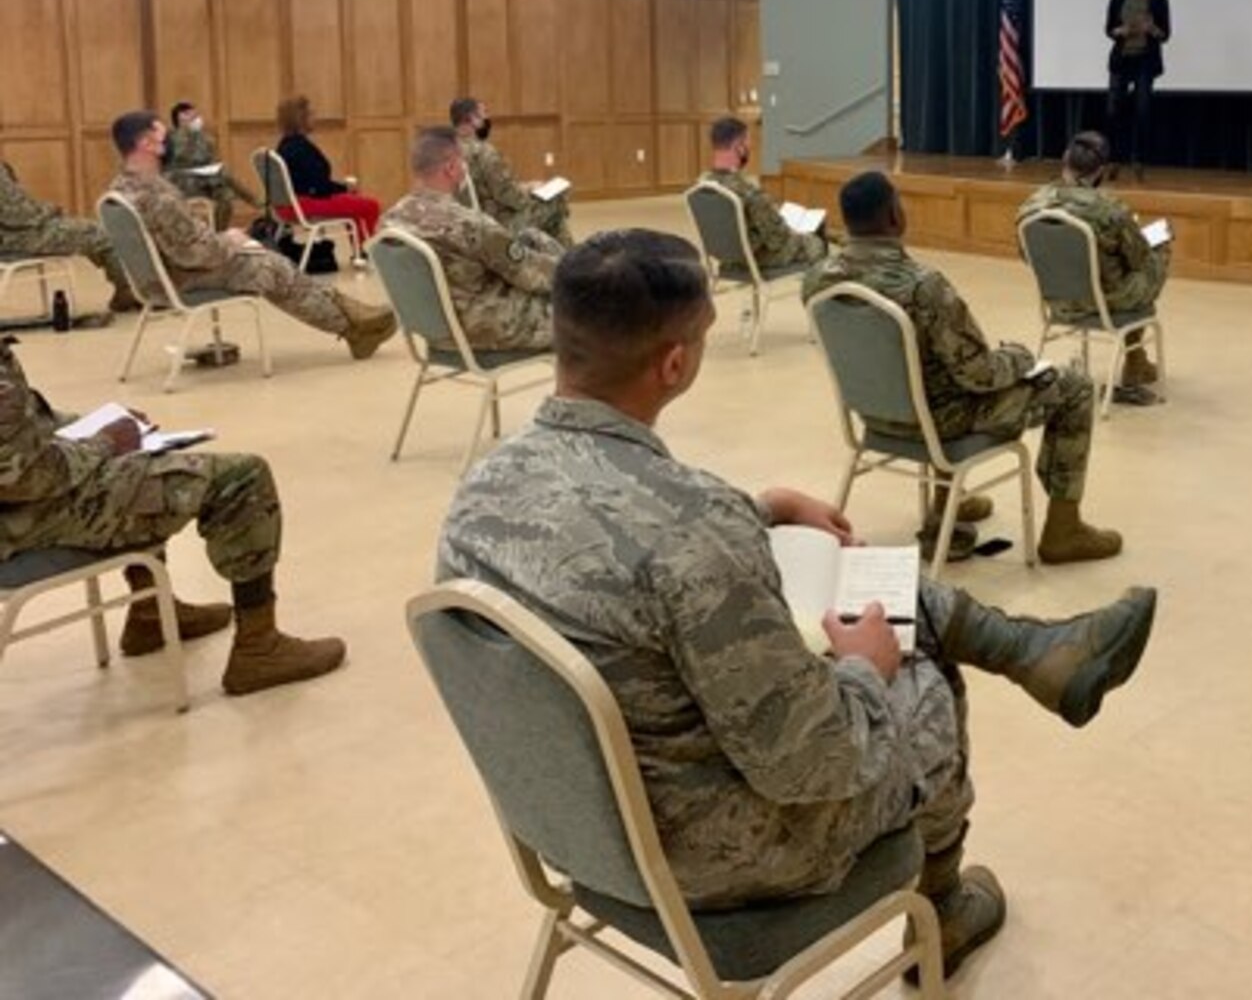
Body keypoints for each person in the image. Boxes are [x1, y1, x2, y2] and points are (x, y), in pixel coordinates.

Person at [437, 229, 1157, 977]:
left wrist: (761, 508)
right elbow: (815, 765)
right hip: (712, 861)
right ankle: (941, 912)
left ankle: (1035, 651)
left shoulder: (482, 494)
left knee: (861, 585)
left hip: (569, 824)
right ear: (675, 364)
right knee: (925, 680)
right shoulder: (695, 532)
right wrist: (863, 673)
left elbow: (604, 549)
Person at [805, 171, 1122, 565]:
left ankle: (948, 512)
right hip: (941, 427)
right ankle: (1063, 530)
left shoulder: (817, 281)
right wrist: (1021, 358)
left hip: (875, 418)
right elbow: (980, 374)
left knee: (933, 374)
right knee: (1073, 386)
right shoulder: (924, 286)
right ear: (893, 217)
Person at [0, 336, 346, 694]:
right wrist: (104, 442)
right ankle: (259, 647)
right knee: (242, 477)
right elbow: (26, 477)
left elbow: (25, 435)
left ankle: (151, 612)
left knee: (141, 465)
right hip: (26, 522)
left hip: (24, 510)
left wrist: (99, 425)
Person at [107, 111, 397, 360]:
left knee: (266, 259)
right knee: (271, 267)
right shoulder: (157, 197)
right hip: (183, 276)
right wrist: (229, 241)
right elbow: (194, 253)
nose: (169, 141)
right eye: (162, 136)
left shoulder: (122, 187)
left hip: (160, 277)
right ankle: (353, 328)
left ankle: (354, 316)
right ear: (146, 144)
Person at [1018, 130, 1168, 401]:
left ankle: (1137, 359)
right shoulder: (1110, 209)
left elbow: (1026, 255)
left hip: (1058, 303)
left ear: (1065, 160)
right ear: (1101, 170)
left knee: (1124, 269)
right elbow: (1138, 259)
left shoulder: (1030, 206)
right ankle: (1135, 361)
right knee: (1158, 249)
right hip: (1106, 304)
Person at [383, 128, 559, 353]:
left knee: (531, 238)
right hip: (484, 328)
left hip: (434, 330)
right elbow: (531, 275)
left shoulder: (389, 221)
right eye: (462, 162)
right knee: (588, 311)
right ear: (451, 168)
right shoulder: (470, 224)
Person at [0, 159, 141, 314]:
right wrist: (51, 211)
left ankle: (128, 288)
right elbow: (20, 216)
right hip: (18, 238)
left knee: (85, 231)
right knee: (101, 233)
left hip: (12, 236)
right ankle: (129, 291)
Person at [698, 115, 828, 275]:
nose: (750, 146)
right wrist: (795, 229)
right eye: (748, 141)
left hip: (726, 258)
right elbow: (778, 239)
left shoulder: (701, 184)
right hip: (755, 259)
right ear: (739, 146)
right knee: (815, 240)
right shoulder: (748, 191)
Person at [449, 97, 571, 245]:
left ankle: (556, 255)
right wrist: (531, 192)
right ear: (471, 119)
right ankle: (570, 256)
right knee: (556, 201)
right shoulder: (484, 153)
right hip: (498, 225)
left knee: (552, 217)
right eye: (483, 114)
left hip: (467, 220)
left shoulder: (446, 149)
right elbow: (513, 199)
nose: (487, 119)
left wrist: (526, 186)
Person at [273, 95, 382, 247]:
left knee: (353, 201)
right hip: (304, 203)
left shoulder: (284, 146)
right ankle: (367, 250)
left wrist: (342, 189)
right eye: (311, 114)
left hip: (288, 205)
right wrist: (344, 187)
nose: (315, 117)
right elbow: (320, 189)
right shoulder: (301, 149)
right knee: (371, 206)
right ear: (300, 118)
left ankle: (361, 250)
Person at [1103, 0, 1170, 175]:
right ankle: (1114, 158)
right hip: (1122, 58)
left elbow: (1165, 34)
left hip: (1145, 60)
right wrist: (1121, 31)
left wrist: (1152, 29)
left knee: (1142, 109)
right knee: (1114, 110)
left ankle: (1139, 158)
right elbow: (1109, 29)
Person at [166, 101, 256, 231]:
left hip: (205, 181)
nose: (194, 118)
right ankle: (255, 201)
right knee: (224, 174)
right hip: (180, 180)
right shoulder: (171, 138)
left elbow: (212, 161)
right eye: (188, 114)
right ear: (179, 118)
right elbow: (179, 158)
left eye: (195, 115)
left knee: (225, 195)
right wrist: (187, 133)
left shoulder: (206, 139)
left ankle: (220, 231)